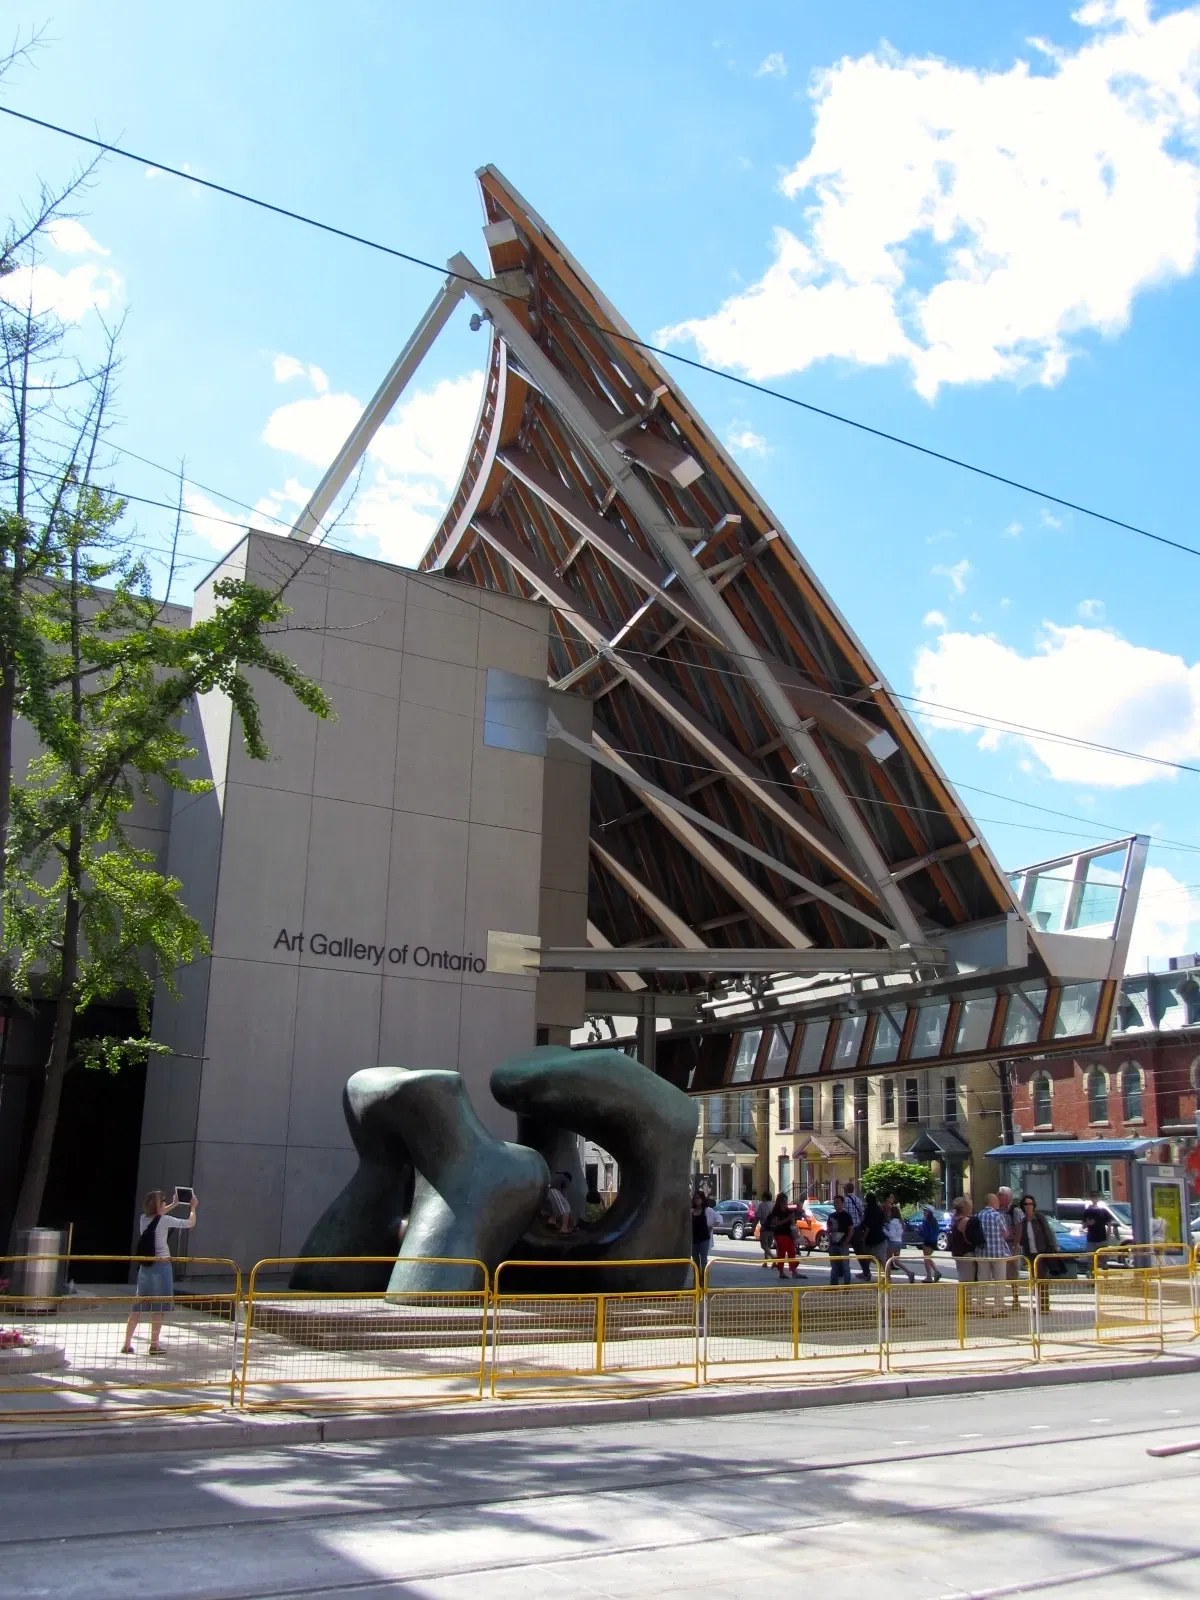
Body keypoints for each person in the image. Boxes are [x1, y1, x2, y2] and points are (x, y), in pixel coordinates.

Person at [121, 1188, 197, 1354]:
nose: (165, 1202)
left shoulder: (143, 1219)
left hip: (145, 1268)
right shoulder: (165, 1220)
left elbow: (157, 1216)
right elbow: (189, 1223)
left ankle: (127, 1344)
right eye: (163, 1201)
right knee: (159, 1307)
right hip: (162, 1267)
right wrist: (192, 1207)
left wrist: (174, 1204)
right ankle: (154, 1345)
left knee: (138, 1306)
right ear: (159, 1205)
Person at [1016, 1193, 1057, 1315]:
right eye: (1026, 1204)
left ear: (1034, 1205)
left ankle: (1044, 1306)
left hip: (1042, 1253)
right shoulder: (1023, 1221)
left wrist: (1052, 1248)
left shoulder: (1039, 1218)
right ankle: (1039, 1304)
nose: (1028, 1206)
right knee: (1034, 1280)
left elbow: (1048, 1233)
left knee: (1042, 1279)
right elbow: (1022, 1239)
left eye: (1030, 1204)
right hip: (1030, 1255)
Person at [975, 1192, 1013, 1313]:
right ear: (992, 1202)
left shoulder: (978, 1215)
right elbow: (1005, 1233)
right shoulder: (998, 1215)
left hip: (982, 1253)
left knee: (982, 1281)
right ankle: (998, 1308)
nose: (998, 1203)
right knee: (999, 1281)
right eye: (996, 1200)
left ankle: (980, 1306)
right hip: (998, 1253)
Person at [998, 1185, 1024, 1310]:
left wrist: (1015, 1245)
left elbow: (1019, 1228)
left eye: (1000, 1195)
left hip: (1011, 1244)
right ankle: (1001, 1300)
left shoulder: (1015, 1211)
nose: (998, 1196)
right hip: (999, 1245)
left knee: (1013, 1273)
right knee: (1000, 1273)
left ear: (1007, 1197)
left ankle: (1016, 1299)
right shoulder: (996, 1210)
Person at [767, 1192, 802, 1279]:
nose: (785, 1203)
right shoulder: (776, 1211)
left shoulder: (788, 1211)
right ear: (780, 1202)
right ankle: (786, 1272)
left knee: (790, 1252)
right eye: (784, 1201)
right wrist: (787, 1219)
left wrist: (795, 1231)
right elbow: (776, 1223)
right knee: (783, 1253)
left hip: (788, 1234)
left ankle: (789, 1271)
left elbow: (793, 1221)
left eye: (786, 1201)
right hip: (780, 1234)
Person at [946, 1197, 979, 1283]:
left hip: (957, 1253)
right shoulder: (966, 1221)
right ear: (966, 1208)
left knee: (962, 1278)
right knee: (967, 1282)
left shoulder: (954, 1220)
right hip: (966, 1253)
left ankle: (962, 1292)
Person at [883, 1203, 915, 1283]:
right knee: (896, 1261)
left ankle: (888, 1278)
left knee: (888, 1261)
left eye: (889, 1212)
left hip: (892, 1242)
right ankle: (909, 1272)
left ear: (892, 1213)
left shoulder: (892, 1223)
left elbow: (891, 1234)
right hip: (899, 1242)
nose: (888, 1213)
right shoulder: (900, 1222)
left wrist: (884, 1230)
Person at [857, 1195, 886, 1283]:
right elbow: (883, 1222)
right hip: (880, 1237)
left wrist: (863, 1238)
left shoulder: (868, 1211)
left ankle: (867, 1272)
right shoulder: (880, 1210)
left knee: (868, 1257)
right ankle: (886, 1276)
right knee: (881, 1259)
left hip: (870, 1238)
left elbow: (867, 1226)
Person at [826, 1196, 854, 1287]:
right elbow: (828, 1230)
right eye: (834, 1202)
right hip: (833, 1244)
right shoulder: (831, 1216)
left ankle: (847, 1285)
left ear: (842, 1203)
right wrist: (829, 1241)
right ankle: (833, 1284)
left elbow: (851, 1230)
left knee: (845, 1266)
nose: (836, 1204)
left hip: (843, 1244)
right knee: (834, 1266)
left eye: (838, 1202)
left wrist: (846, 1241)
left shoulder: (846, 1215)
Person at [690, 1190, 718, 1281]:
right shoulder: (692, 1211)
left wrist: (711, 1226)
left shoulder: (707, 1210)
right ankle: (697, 1280)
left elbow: (719, 1219)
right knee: (695, 1260)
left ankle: (704, 1280)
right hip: (694, 1239)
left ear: (702, 1199)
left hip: (704, 1238)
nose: (696, 1200)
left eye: (698, 1198)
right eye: (695, 1198)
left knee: (703, 1260)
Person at [1081, 1193, 1111, 1276]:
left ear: (1099, 1198)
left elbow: (1109, 1225)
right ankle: (1092, 1279)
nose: (1095, 1199)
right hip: (1091, 1240)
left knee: (1104, 1261)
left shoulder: (1103, 1211)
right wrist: (1088, 1223)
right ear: (1091, 1198)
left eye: (1096, 1197)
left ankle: (1105, 1278)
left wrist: (1107, 1238)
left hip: (1102, 1239)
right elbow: (1083, 1226)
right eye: (1093, 1197)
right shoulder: (1087, 1211)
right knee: (1091, 1262)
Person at [917, 1204, 944, 1283]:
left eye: (925, 1210)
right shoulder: (934, 1220)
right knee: (928, 1258)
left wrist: (919, 1231)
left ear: (929, 1212)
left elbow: (925, 1233)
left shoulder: (925, 1221)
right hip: (934, 1241)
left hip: (927, 1241)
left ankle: (929, 1276)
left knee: (926, 1259)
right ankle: (936, 1272)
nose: (924, 1212)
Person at [755, 1191, 775, 1268]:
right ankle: (765, 1262)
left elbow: (758, 1216)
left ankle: (773, 1258)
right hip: (772, 1228)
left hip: (764, 1227)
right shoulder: (773, 1205)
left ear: (764, 1197)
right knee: (768, 1246)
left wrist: (753, 1226)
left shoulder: (761, 1205)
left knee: (764, 1245)